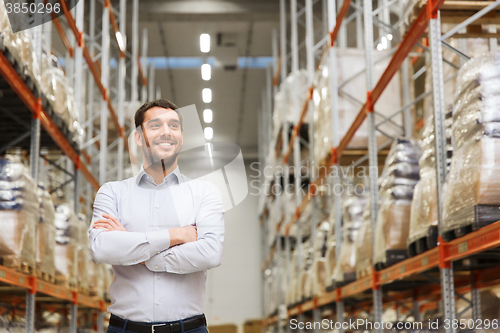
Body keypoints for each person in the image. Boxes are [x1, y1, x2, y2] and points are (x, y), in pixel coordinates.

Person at [89, 99, 225, 333]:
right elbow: (102, 248)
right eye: (155, 125)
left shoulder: (204, 193)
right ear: (139, 137)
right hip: (125, 329)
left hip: (189, 329)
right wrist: (176, 235)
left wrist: (137, 250)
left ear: (181, 136)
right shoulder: (112, 192)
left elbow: (211, 253)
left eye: (174, 126)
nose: (166, 132)